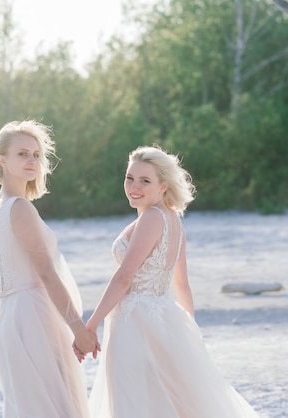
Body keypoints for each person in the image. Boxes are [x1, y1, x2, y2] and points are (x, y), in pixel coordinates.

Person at [81, 145, 260, 417]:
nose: (134, 187)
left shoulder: (152, 218)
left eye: (145, 181)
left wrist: (90, 325)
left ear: (163, 186)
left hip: (135, 321)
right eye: (130, 178)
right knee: (165, 397)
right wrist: (188, 325)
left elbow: (124, 277)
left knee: (137, 400)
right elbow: (182, 284)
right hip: (163, 316)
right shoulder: (173, 220)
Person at [0, 120, 99, 418]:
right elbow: (46, 274)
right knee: (55, 407)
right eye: (22, 154)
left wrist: (0, 326)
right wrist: (78, 328)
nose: (32, 160)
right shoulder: (19, 208)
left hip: (13, 317)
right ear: (2, 159)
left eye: (36, 155)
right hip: (33, 317)